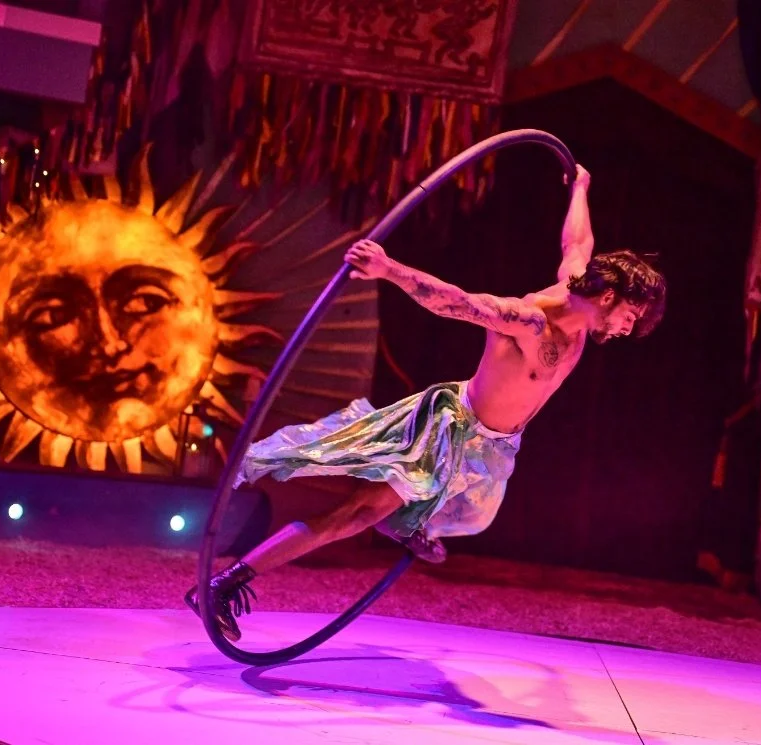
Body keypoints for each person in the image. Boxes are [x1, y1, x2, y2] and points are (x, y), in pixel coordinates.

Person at [186, 165, 667, 641]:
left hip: (491, 446)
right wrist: (388, 270)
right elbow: (453, 301)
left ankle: (412, 520)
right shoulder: (528, 321)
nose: (628, 329)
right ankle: (221, 586)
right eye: (630, 316)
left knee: (470, 515)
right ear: (608, 296)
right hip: (449, 432)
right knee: (355, 516)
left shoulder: (578, 290)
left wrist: (581, 186)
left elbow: (577, 242)